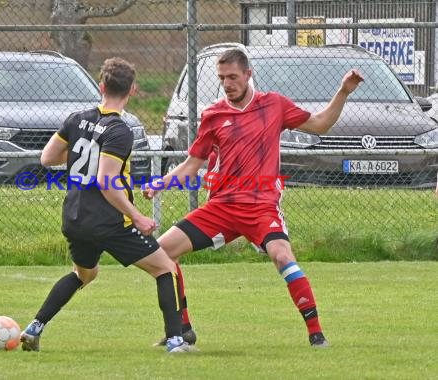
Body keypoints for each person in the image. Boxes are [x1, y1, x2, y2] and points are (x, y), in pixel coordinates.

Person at [144, 48, 364, 348]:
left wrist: (342, 92)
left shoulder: (274, 105)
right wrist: (162, 183)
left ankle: (316, 334)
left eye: (233, 77)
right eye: (222, 78)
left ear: (248, 75)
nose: (227, 83)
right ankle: (182, 330)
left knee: (282, 256)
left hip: (261, 206)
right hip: (221, 207)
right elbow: (192, 165)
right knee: (162, 252)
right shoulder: (213, 115)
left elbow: (320, 124)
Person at [20, 57, 194, 353]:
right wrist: (137, 216)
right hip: (109, 221)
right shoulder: (119, 130)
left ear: (101, 86)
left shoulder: (76, 118)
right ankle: (176, 341)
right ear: (133, 90)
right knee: (165, 268)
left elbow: (47, 158)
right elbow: (106, 181)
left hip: (75, 217)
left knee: (84, 275)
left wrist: (79, 157)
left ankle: (35, 327)